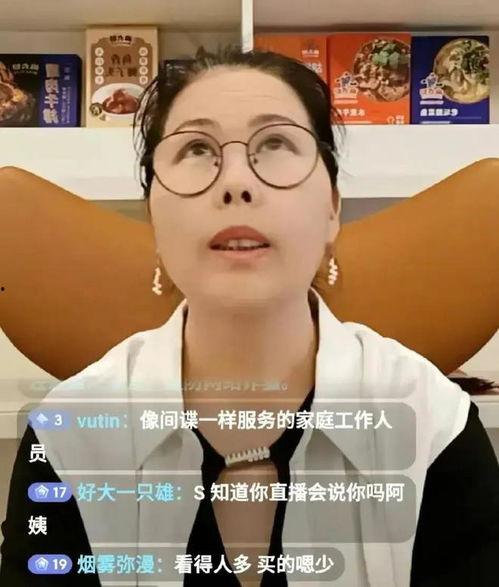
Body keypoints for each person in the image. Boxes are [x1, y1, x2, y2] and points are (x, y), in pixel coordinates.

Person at [1, 46, 498, 587]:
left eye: (276, 143)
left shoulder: (432, 424)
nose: (236, 182)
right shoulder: (68, 438)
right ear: (154, 218)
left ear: (332, 208)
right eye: (196, 148)